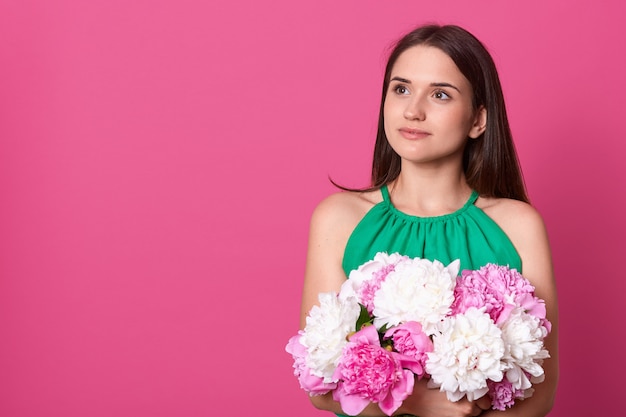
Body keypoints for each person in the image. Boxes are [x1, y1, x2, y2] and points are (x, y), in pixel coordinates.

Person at [299, 24, 559, 417]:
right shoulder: (339, 218)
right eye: (401, 89)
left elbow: (540, 395)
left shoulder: (518, 226)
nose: (413, 110)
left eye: (440, 94)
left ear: (478, 120)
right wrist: (420, 404)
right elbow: (318, 383)